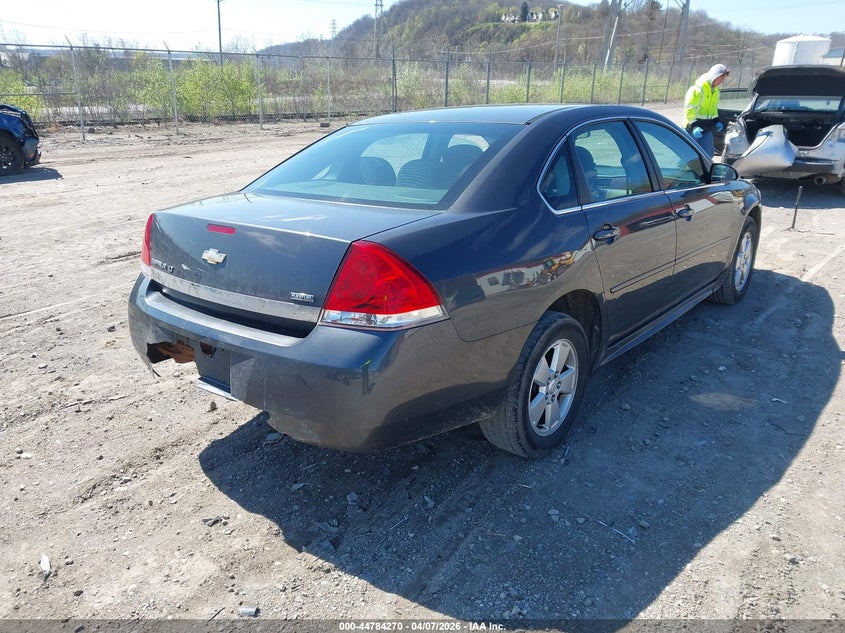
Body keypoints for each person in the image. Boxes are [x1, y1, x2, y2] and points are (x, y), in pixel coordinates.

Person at [684, 63, 730, 157]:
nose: (722, 81)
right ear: (715, 76)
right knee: (688, 156)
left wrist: (716, 120)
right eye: (721, 78)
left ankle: (703, 171)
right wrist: (693, 126)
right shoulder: (697, 89)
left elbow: (713, 108)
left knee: (708, 154)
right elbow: (689, 108)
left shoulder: (715, 91)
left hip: (706, 127)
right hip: (693, 129)